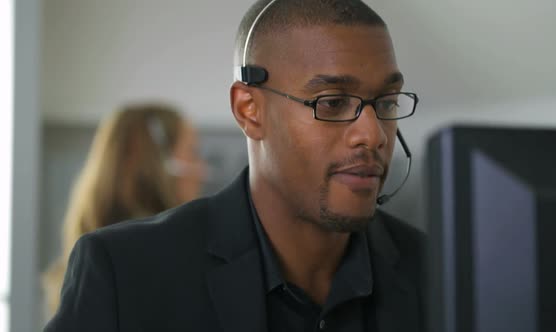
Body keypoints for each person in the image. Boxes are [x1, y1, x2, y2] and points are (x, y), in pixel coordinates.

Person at [44, 1, 425, 331]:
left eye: (387, 103)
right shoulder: (127, 273)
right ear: (249, 109)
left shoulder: (442, 273)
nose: (373, 134)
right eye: (332, 102)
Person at [42, 102, 206, 317]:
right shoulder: (155, 257)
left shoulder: (90, 250)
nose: (201, 170)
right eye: (192, 153)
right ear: (162, 165)